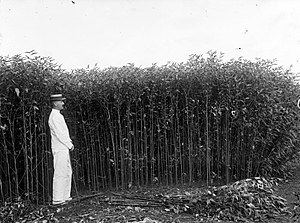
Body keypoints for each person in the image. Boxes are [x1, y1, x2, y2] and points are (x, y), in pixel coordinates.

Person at [48, 94, 74, 205]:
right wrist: (69, 144)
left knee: (67, 171)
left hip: (63, 147)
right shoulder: (54, 116)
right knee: (60, 172)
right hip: (60, 147)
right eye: (61, 102)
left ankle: (65, 196)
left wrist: (69, 143)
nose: (63, 103)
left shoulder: (58, 115)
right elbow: (59, 134)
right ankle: (58, 199)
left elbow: (64, 133)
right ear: (55, 103)